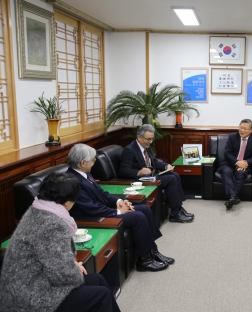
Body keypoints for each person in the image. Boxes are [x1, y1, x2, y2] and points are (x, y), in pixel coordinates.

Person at [0, 172, 120, 312]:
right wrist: (73, 268)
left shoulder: (37, 209)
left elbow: (50, 257)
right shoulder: (53, 224)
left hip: (33, 281)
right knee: (101, 296)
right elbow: (62, 275)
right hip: (30, 298)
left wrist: (71, 264)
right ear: (67, 202)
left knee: (98, 280)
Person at [66, 143, 173, 272]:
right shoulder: (72, 181)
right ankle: (144, 260)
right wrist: (117, 211)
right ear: (83, 162)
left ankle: (152, 251)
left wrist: (120, 202)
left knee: (144, 209)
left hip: (102, 209)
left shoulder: (85, 173)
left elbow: (102, 193)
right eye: (93, 160)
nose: (94, 162)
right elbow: (90, 208)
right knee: (138, 217)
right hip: (93, 216)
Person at [118, 124, 194, 223]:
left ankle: (178, 208)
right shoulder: (129, 150)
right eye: (148, 139)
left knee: (175, 175)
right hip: (140, 180)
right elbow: (123, 170)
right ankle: (175, 214)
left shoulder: (146, 146)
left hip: (151, 176)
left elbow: (154, 161)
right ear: (139, 137)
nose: (151, 142)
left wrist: (166, 166)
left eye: (152, 139)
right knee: (171, 179)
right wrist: (138, 172)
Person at [218, 119, 252, 210]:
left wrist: (246, 162)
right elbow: (227, 153)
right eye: (241, 128)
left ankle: (231, 198)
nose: (242, 130)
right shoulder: (232, 137)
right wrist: (238, 162)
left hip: (244, 166)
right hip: (230, 163)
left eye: (245, 129)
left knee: (241, 174)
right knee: (226, 171)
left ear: (251, 130)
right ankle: (233, 197)